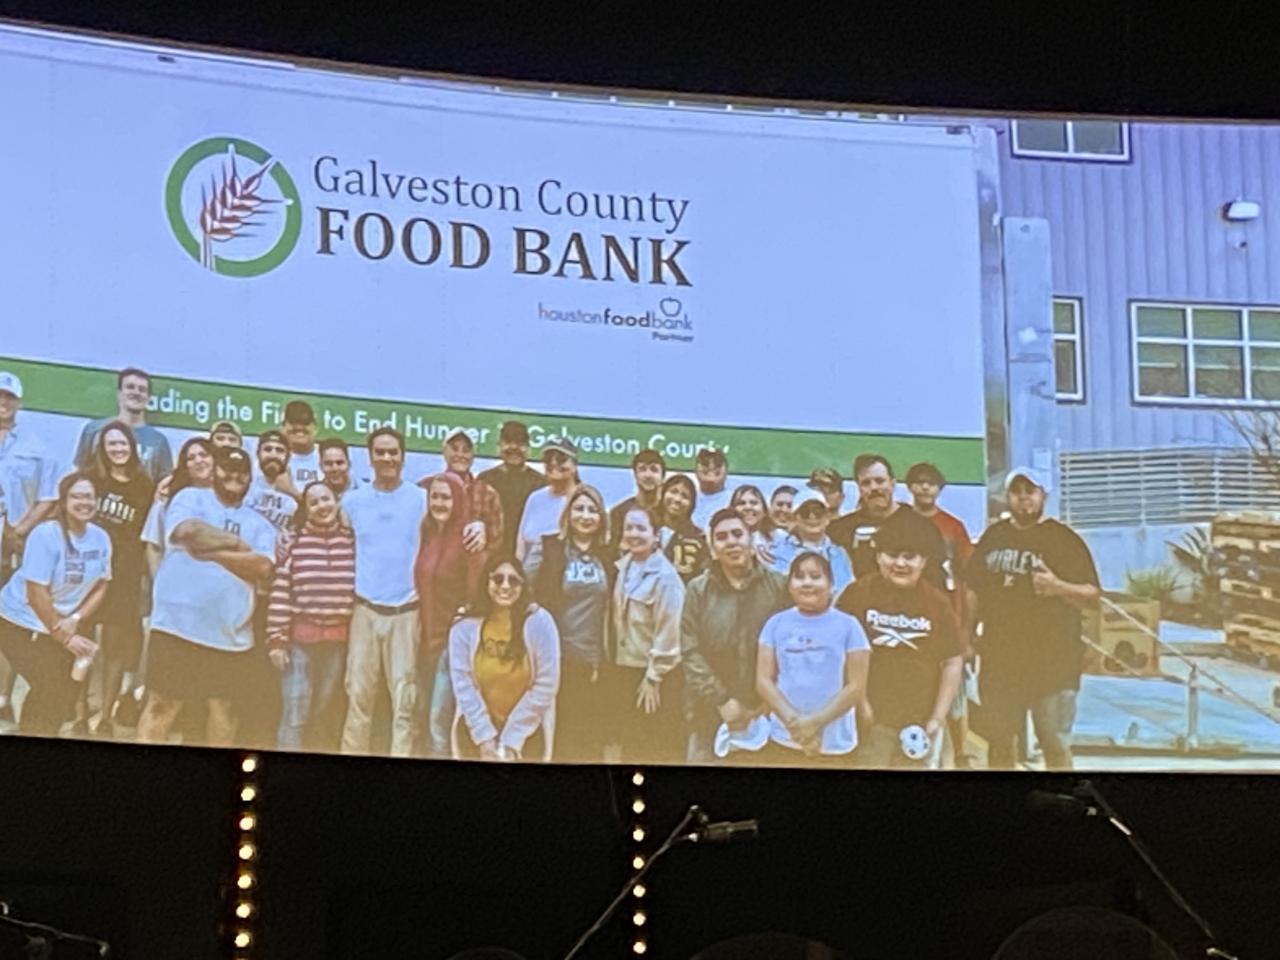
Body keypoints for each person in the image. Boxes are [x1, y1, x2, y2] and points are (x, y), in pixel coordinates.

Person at [136, 447, 276, 746]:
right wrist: (238, 545)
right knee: (161, 705)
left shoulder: (261, 524)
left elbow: (263, 567)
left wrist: (211, 553)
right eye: (227, 469)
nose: (234, 476)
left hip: (230, 634)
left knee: (225, 710)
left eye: (241, 472)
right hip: (176, 625)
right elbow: (189, 531)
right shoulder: (190, 498)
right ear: (214, 471)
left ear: (250, 478)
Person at [964, 467, 1099, 771]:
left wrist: (1058, 587)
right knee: (999, 742)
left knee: (1053, 742)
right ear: (1007, 496)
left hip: (1053, 662)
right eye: (1016, 491)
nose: (1023, 497)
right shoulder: (994, 536)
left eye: (1030, 491)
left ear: (1043, 495)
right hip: (1000, 659)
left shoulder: (1064, 539)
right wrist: (967, 636)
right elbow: (973, 589)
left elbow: (1092, 596)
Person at [836, 509, 964, 769]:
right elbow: (839, 654)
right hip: (869, 721)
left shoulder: (937, 603)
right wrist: (860, 704)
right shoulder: (857, 594)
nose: (900, 564)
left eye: (910, 556)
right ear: (878, 556)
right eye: (892, 555)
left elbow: (953, 660)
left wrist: (937, 718)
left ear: (923, 561)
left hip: (918, 724)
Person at [0, 473, 111, 736]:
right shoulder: (45, 534)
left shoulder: (100, 537)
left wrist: (75, 619)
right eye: (76, 496)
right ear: (63, 501)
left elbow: (102, 584)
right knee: (49, 684)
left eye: (89, 497)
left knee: (62, 693)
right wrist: (64, 636)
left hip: (61, 623)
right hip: (17, 621)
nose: (84, 502)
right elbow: (36, 592)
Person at [340, 427, 428, 757]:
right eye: (380, 452)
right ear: (370, 457)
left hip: (406, 612)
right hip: (364, 611)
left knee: (405, 705)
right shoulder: (352, 501)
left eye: (393, 452)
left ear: (403, 457)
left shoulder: (421, 499)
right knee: (358, 701)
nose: (387, 458)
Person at [682, 508, 789, 763]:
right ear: (712, 549)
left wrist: (770, 701)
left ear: (751, 541)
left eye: (737, 534)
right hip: (710, 713)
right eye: (721, 537)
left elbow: (790, 648)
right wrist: (722, 700)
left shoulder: (779, 586)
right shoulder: (697, 590)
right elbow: (689, 651)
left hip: (769, 714)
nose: (731, 542)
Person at [755, 552, 870, 766]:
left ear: (831, 585)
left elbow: (856, 686)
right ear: (790, 586)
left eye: (816, 576)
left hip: (834, 744)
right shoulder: (775, 623)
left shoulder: (850, 626)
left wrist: (814, 723)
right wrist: (795, 724)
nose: (807, 583)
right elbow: (763, 681)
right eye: (799, 577)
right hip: (784, 738)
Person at [527, 484, 614, 762]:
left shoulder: (609, 554)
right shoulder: (548, 547)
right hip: (557, 659)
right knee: (559, 740)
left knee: (590, 742)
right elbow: (523, 592)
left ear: (601, 517)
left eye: (592, 510)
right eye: (579, 509)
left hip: (596, 662)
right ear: (568, 513)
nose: (585, 516)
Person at [266, 481, 355, 753]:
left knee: (323, 712)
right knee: (296, 712)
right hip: (300, 643)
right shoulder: (295, 543)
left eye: (326, 499)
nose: (321, 506)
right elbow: (281, 592)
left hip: (337, 644)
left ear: (336, 502)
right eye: (313, 503)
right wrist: (277, 640)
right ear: (306, 510)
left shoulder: (351, 540)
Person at [449, 554, 560, 761]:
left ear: (523, 585)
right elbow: (463, 686)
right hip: (477, 730)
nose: (505, 586)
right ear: (487, 582)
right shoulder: (463, 627)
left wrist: (512, 739)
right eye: (498, 579)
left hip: (529, 732)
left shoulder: (539, 622)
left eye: (514, 580)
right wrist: (484, 737)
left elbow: (547, 684)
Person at [86, 421, 154, 736]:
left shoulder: (144, 485)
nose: (117, 449)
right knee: (82, 646)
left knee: (114, 648)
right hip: (88, 573)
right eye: (111, 444)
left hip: (124, 576)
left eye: (122, 443)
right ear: (102, 448)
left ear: (132, 447)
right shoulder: (90, 479)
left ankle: (105, 717)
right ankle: (80, 713)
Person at [0, 370, 59, 725]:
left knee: (6, 622)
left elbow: (48, 496)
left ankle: (3, 697)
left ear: (19, 402)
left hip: (12, 548)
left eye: (9, 397)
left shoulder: (36, 446)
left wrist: (19, 530)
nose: (3, 402)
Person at [415, 470, 486, 757]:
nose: (439, 503)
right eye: (434, 497)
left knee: (438, 723)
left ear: (458, 500)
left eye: (446, 497)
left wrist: (464, 616)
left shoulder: (470, 540)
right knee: (419, 716)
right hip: (423, 641)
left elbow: (478, 596)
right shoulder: (427, 534)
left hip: (451, 646)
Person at [612, 506, 686, 764]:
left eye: (641, 528)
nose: (634, 534)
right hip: (626, 668)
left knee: (653, 748)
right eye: (629, 528)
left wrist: (653, 678)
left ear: (656, 535)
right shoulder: (624, 567)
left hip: (655, 675)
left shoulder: (666, 577)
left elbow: (670, 631)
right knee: (629, 747)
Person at [831, 453, 947, 589]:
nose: (874, 488)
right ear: (859, 488)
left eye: (880, 481)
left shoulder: (922, 528)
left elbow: (935, 580)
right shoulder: (840, 530)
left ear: (892, 484)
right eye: (866, 483)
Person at [74, 367, 173, 483]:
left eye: (142, 389)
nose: (136, 393)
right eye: (130, 387)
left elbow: (164, 484)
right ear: (119, 393)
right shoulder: (93, 430)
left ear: (148, 398)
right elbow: (79, 474)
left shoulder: (158, 441)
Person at [141, 437, 216, 579]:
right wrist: (159, 584)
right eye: (191, 458)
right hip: (177, 582)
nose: (198, 460)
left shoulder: (227, 501)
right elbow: (154, 546)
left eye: (204, 455)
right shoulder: (168, 499)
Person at [425, 427, 502, 557]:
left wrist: (485, 535)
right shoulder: (425, 487)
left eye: (466, 450)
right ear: (444, 452)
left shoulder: (488, 493)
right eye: (454, 449)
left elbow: (497, 542)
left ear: (473, 455)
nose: (460, 455)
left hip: (473, 566)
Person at [477, 420, 545, 555]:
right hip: (491, 556)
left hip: (529, 557)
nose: (514, 447)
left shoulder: (541, 483)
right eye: (508, 441)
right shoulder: (485, 480)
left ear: (528, 448)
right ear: (499, 446)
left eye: (520, 443)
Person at [906, 461, 974, 594]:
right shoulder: (900, 521)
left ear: (939, 489)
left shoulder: (954, 526)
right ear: (910, 487)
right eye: (920, 482)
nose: (925, 487)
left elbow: (967, 565)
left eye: (932, 483)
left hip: (944, 592)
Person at [771, 489, 854, 595]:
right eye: (805, 512)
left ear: (827, 518)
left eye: (818, 511)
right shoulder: (779, 551)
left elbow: (847, 591)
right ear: (795, 518)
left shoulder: (839, 554)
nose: (812, 516)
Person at [516, 437, 578, 561]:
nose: (553, 463)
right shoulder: (535, 498)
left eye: (561, 459)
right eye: (548, 459)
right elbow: (521, 545)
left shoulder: (583, 498)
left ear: (574, 465)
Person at [608, 449, 666, 549]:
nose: (648, 475)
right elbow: (613, 551)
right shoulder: (619, 512)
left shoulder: (669, 512)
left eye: (654, 469)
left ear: (662, 476)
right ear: (635, 475)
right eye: (642, 469)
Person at [657, 474, 709, 583]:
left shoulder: (698, 538)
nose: (677, 499)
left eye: (685, 496)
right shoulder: (645, 526)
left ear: (692, 504)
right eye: (673, 491)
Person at [246, 429, 298, 533]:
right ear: (258, 454)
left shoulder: (300, 488)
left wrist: (292, 492)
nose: (273, 455)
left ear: (288, 457)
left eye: (280, 450)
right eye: (268, 449)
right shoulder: (246, 486)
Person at [730, 483, 782, 564]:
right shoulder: (726, 538)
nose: (748, 507)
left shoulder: (780, 537)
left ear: (764, 509)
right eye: (741, 503)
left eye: (753, 503)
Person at [281, 400, 322, 493]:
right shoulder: (273, 456)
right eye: (293, 422)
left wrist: (291, 491)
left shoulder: (329, 455)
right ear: (283, 427)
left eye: (305, 423)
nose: (299, 427)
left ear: (315, 428)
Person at [689, 448, 730, 529]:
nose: (711, 466)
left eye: (718, 464)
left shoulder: (735, 500)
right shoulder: (687, 498)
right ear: (695, 470)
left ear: (726, 471)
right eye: (705, 463)